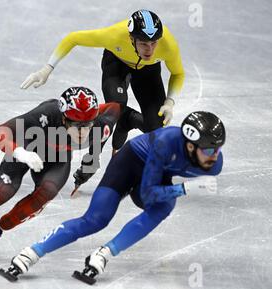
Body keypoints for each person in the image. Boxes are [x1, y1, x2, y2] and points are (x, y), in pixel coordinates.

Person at [0, 111, 225, 284]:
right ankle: (32, 252)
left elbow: (150, 194)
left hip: (157, 172)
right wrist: (185, 189)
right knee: (96, 219)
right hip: (131, 162)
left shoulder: (213, 166)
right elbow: (147, 192)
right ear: (189, 145)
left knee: (164, 206)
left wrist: (176, 190)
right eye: (207, 150)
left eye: (216, 149)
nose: (213, 156)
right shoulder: (165, 142)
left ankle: (104, 253)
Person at [0, 87, 120, 263]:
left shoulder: (101, 127)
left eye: (88, 124)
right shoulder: (47, 114)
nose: (83, 132)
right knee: (3, 192)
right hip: (28, 147)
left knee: (44, 196)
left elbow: (115, 108)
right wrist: (20, 153)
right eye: (77, 125)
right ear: (63, 118)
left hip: (58, 159)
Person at [21, 9, 185, 187]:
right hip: (116, 63)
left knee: (156, 127)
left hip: (148, 72)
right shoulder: (114, 35)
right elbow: (73, 38)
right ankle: (92, 160)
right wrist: (47, 68)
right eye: (144, 43)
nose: (150, 49)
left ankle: (126, 122)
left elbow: (178, 73)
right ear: (131, 39)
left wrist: (169, 102)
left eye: (154, 43)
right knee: (115, 108)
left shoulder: (168, 45)